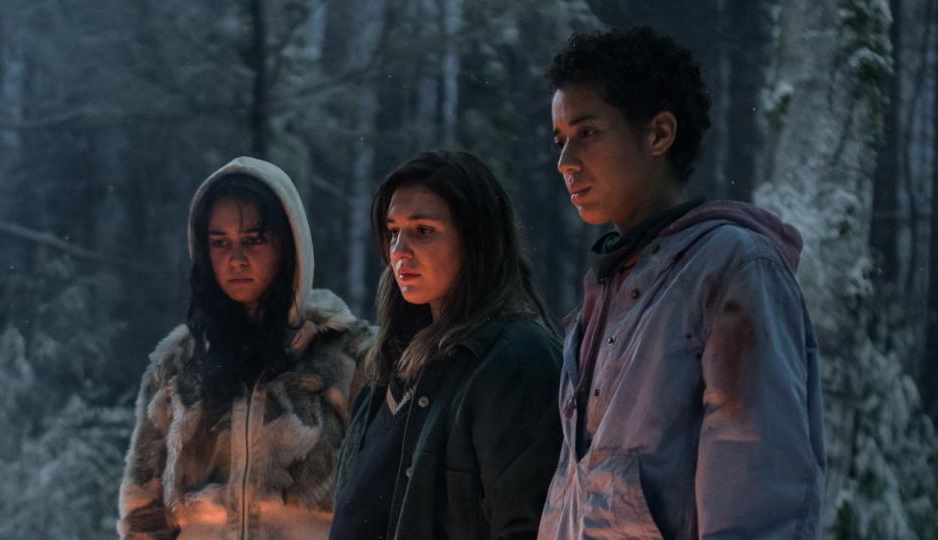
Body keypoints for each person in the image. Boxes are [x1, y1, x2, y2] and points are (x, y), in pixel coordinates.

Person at [537, 27, 825, 539]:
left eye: (587, 132)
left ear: (657, 134)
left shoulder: (732, 267)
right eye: (560, 140)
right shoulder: (605, 292)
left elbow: (759, 496)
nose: (565, 162)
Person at [117, 156, 373, 539]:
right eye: (220, 243)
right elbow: (142, 512)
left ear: (288, 245)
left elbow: (381, 499)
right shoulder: (179, 363)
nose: (236, 259)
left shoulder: (347, 356)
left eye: (253, 240)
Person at [330, 150, 563, 540]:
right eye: (393, 232)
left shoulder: (516, 360)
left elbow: (527, 525)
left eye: (423, 230)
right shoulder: (389, 364)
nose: (400, 251)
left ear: (475, 240)